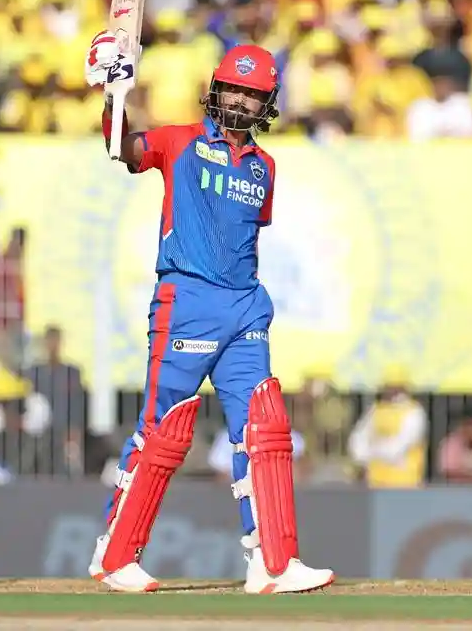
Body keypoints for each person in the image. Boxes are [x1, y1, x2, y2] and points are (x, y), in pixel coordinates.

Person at [82, 32, 334, 594]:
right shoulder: (179, 141)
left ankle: (272, 563)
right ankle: (116, 554)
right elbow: (123, 149)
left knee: (263, 427)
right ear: (215, 90)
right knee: (163, 427)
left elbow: (243, 238)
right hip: (187, 301)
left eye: (252, 94)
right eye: (233, 89)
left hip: (245, 306)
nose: (240, 100)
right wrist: (113, 94)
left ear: (266, 104)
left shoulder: (264, 167)